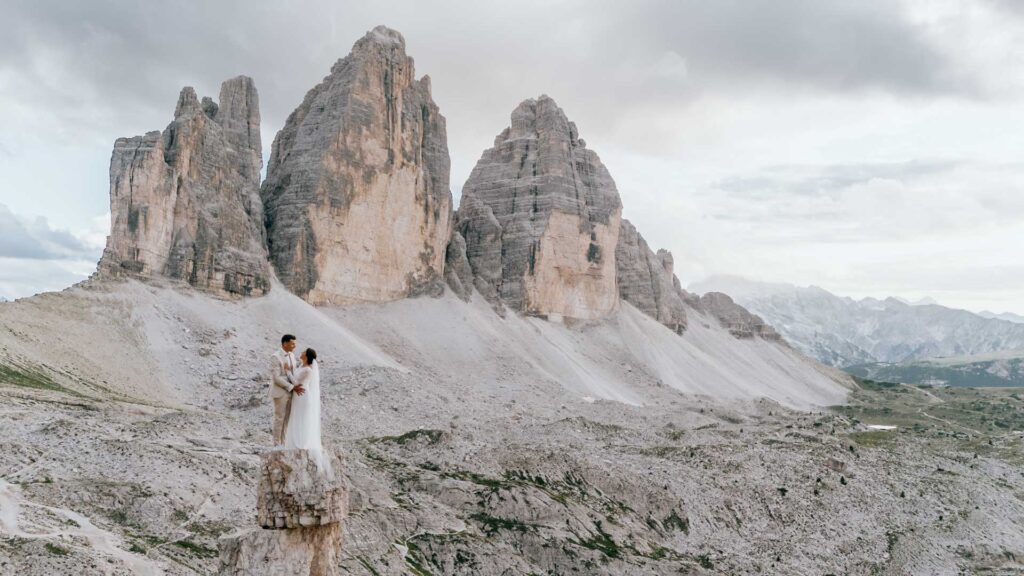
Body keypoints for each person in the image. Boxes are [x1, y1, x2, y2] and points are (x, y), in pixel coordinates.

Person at [282, 348, 329, 472]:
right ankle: (293, 443)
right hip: (297, 397)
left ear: (307, 356)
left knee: (301, 418)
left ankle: (301, 443)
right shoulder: (301, 366)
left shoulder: (308, 370)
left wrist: (287, 372)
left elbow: (297, 383)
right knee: (295, 417)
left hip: (303, 397)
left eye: (303, 352)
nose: (301, 352)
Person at [270, 334, 305, 445]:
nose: (294, 346)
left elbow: (291, 373)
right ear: (285, 343)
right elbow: (276, 377)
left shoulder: (292, 356)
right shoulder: (275, 357)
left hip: (291, 392)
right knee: (279, 418)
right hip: (280, 393)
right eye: (292, 343)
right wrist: (291, 386)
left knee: (287, 420)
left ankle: (283, 443)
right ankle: (276, 445)